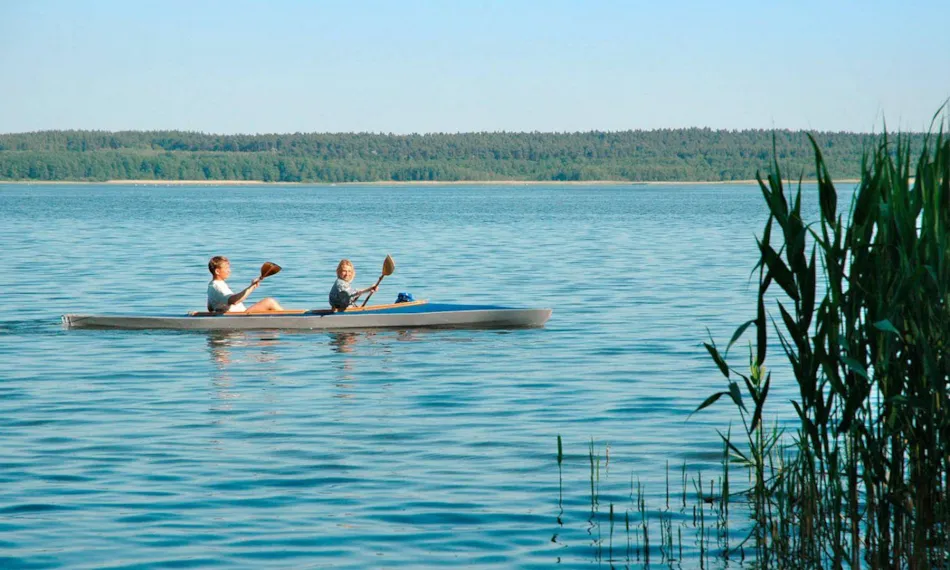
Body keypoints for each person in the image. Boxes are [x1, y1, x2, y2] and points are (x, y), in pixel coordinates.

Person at [207, 256, 284, 313]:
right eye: (226, 268)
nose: (229, 271)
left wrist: (252, 286)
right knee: (269, 302)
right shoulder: (217, 286)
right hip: (237, 317)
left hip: (239, 315)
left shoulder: (213, 285)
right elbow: (234, 301)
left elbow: (210, 307)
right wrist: (251, 287)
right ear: (217, 271)